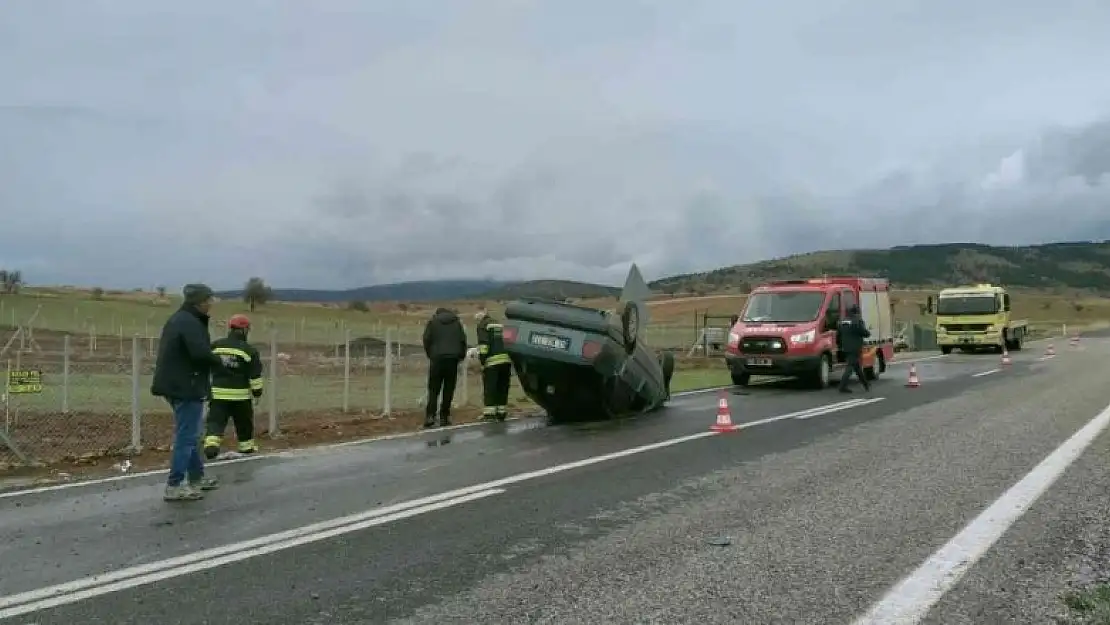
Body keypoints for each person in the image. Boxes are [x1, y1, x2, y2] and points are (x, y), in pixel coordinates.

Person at [151, 284, 224, 501]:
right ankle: (175, 485)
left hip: (178, 383)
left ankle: (196, 478)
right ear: (200, 302)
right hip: (186, 385)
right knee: (187, 436)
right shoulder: (189, 322)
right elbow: (200, 353)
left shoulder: (183, 319)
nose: (211, 304)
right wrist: (220, 362)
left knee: (191, 433)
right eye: (209, 300)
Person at [203, 314, 264, 460]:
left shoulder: (216, 346)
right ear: (244, 330)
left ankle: (211, 445)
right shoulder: (249, 350)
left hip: (218, 394)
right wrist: (257, 393)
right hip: (240, 396)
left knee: (215, 422)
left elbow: (205, 366)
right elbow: (255, 376)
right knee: (244, 423)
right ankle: (246, 447)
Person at [421, 307, 468, 428]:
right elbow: (463, 341)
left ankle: (430, 416)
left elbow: (426, 339)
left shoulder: (433, 322)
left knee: (433, 389)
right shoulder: (457, 323)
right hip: (452, 359)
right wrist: (460, 356)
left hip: (437, 359)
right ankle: (444, 416)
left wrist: (431, 354)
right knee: (449, 388)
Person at [475, 310, 512, 421]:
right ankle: (501, 412)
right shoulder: (499, 324)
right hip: (506, 360)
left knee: (490, 388)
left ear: (480, 319)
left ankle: (489, 414)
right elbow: (509, 339)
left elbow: (483, 344)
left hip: (492, 362)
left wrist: (482, 360)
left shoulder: (482, 325)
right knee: (502, 387)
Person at [836, 304, 871, 393]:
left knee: (857, 367)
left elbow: (838, 336)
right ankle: (842, 386)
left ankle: (866, 384)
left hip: (845, 347)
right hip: (855, 348)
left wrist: (840, 345)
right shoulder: (857, 321)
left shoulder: (842, 321)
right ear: (856, 312)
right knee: (850, 367)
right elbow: (864, 333)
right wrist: (868, 332)